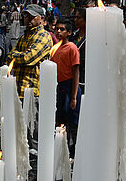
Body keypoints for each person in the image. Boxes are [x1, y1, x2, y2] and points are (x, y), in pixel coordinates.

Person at [7, 4, 53, 99]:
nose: (28, 19)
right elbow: (9, 57)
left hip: (33, 91)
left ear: (41, 18)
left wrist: (18, 56)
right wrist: (21, 55)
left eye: (32, 16)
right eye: (26, 16)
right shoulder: (24, 37)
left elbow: (27, 58)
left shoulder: (43, 36)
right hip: (18, 89)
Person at [51, 18, 81, 159]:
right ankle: (62, 148)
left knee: (72, 119)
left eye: (62, 29)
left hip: (70, 86)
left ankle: (74, 149)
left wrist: (74, 96)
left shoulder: (72, 48)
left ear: (69, 32)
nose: (58, 31)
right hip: (59, 87)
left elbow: (75, 72)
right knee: (61, 118)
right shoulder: (54, 48)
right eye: (57, 28)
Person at [71, 8, 86, 93]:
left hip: (83, 76)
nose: (75, 20)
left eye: (79, 18)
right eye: (75, 17)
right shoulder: (74, 35)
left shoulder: (91, 36)